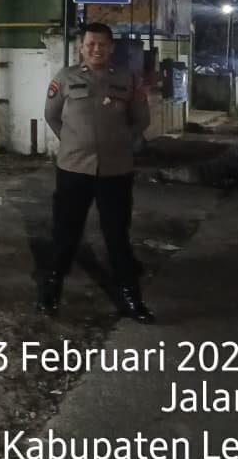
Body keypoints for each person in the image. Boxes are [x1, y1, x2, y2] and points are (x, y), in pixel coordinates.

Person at [40, 23, 154, 323]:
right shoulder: (66, 77)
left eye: (102, 44)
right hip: (74, 168)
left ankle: (130, 295)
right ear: (81, 47)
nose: (96, 49)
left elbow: (141, 119)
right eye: (90, 43)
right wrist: (72, 141)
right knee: (65, 231)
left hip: (116, 170)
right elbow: (51, 115)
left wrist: (121, 142)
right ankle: (51, 287)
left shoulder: (127, 79)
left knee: (117, 234)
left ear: (111, 47)